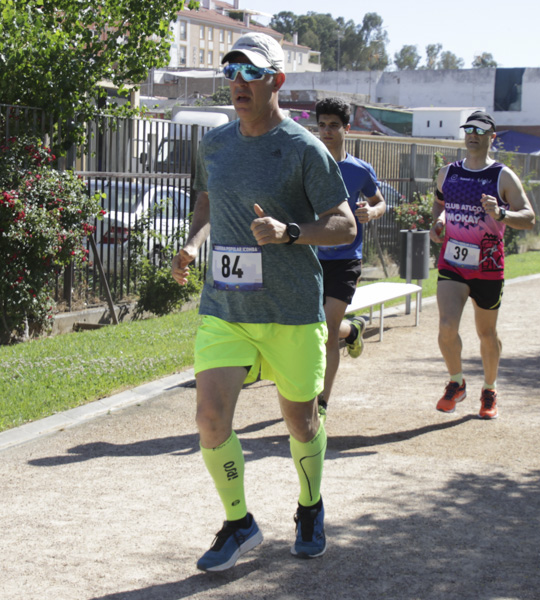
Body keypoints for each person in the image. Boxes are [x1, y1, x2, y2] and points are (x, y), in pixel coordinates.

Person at [170, 32, 355, 572]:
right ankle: (239, 523)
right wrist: (191, 242)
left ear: (277, 79)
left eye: (251, 73)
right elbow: (206, 201)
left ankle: (309, 506)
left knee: (300, 422)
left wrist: (289, 231)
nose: (238, 83)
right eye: (231, 72)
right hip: (226, 308)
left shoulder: (305, 149)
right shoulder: (216, 144)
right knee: (209, 418)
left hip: (291, 310)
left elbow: (343, 225)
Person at [428, 110, 535, 419]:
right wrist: (438, 221)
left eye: (480, 130)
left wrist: (502, 214)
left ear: (492, 136)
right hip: (453, 263)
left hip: (488, 266)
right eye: (468, 129)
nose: (472, 134)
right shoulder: (447, 173)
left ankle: (489, 388)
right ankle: (456, 382)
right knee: (447, 325)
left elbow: (528, 217)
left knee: (486, 334)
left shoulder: (502, 176)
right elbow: (439, 201)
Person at [313, 97, 387, 413]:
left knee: (327, 330)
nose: (326, 132)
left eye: (333, 126)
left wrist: (372, 211)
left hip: (345, 259)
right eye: (322, 126)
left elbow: (380, 201)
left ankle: (322, 402)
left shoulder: (359, 170)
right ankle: (353, 329)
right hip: (310, 258)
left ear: (347, 128)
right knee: (312, 327)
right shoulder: (309, 164)